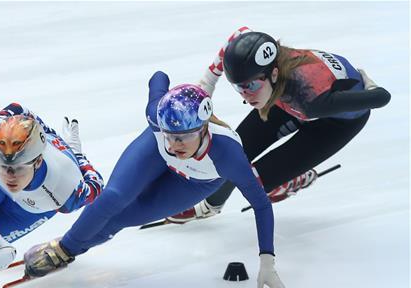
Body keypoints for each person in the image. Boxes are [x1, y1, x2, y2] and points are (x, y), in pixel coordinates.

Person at [22, 72, 296, 288]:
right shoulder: (157, 117)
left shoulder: (228, 156)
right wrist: (171, 101)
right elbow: (159, 77)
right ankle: (63, 250)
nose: (176, 145)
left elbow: (261, 204)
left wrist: (267, 261)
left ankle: (72, 249)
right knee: (113, 199)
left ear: (203, 129)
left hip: (196, 180)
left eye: (183, 138)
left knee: (123, 218)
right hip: (153, 149)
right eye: (171, 136)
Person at [166, 28, 390, 223]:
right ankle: (211, 205)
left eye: (250, 86)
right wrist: (207, 83)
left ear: (273, 74)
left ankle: (291, 178)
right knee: (233, 152)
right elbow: (238, 34)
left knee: (255, 180)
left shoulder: (311, 101)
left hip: (335, 123)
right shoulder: (267, 63)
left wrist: (368, 84)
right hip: (287, 95)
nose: (246, 97)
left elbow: (382, 98)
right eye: (239, 88)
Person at [0, 103, 104, 242]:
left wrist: (77, 155)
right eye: (2, 165)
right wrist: (40, 128)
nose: (9, 175)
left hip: (29, 209)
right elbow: (17, 107)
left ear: (38, 161)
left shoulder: (64, 192)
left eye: (18, 167)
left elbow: (96, 185)